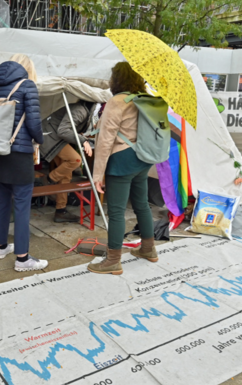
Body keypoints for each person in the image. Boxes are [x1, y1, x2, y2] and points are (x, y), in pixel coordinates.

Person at [88, 62, 158, 275]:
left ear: (117, 79)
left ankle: (113, 260)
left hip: (121, 161)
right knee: (142, 205)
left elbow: (105, 141)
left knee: (116, 212)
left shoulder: (117, 102)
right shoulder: (145, 99)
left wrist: (97, 174)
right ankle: (148, 249)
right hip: (142, 159)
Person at [0, 54, 48, 271]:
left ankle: (1, 247)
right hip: (18, 153)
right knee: (22, 205)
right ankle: (23, 259)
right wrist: (40, 139)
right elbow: (33, 122)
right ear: (27, 68)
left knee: (2, 201)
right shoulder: (27, 85)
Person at [41, 101, 95, 222]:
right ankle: (49, 179)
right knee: (75, 160)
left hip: (52, 136)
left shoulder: (83, 108)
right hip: (51, 137)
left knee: (66, 175)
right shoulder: (81, 110)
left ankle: (60, 210)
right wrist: (82, 140)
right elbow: (63, 131)